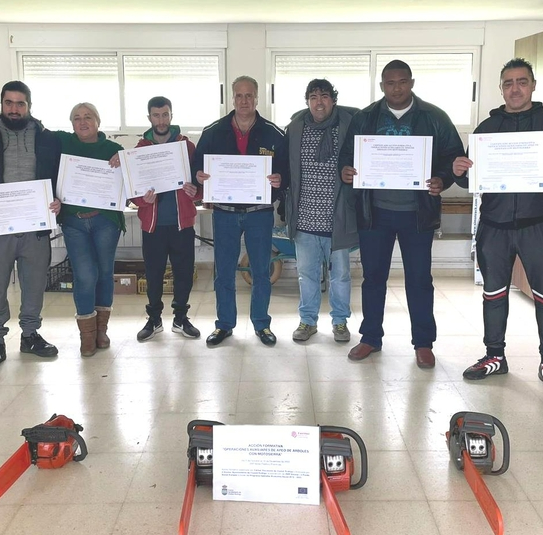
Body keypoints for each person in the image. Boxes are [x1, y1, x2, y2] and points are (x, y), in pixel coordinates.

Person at [453, 58, 543, 398]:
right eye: (508, 83)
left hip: (538, 226)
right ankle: (495, 356)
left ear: (533, 85)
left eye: (521, 82)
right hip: (494, 227)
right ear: (501, 88)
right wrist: (459, 168)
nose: (515, 88)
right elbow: (469, 177)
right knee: (493, 295)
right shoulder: (485, 129)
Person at [339, 60, 465, 369]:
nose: (397, 88)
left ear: (411, 82)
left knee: (419, 279)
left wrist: (442, 179)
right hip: (375, 213)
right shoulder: (365, 118)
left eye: (402, 82)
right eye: (390, 83)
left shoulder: (434, 117)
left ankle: (423, 343)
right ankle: (370, 337)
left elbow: (454, 157)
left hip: (417, 214)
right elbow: (346, 157)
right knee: (373, 278)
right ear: (381, 85)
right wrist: (346, 170)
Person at [0, 80, 62, 375]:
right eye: (9, 103)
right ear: (1, 103)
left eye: (20, 104)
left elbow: (57, 175)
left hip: (35, 225)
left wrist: (58, 201)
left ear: (29, 106)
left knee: (33, 283)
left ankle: (30, 335)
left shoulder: (47, 137)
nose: (14, 109)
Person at [191, 76, 288, 347]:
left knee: (261, 271)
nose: (244, 101)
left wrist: (280, 181)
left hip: (260, 212)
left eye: (249, 95)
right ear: (232, 98)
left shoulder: (274, 133)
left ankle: (261, 324)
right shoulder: (213, 132)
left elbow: (287, 173)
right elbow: (196, 168)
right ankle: (224, 325)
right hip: (224, 213)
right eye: (239, 96)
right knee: (224, 271)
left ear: (257, 98)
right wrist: (199, 176)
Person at [285, 79, 357, 343]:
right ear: (307, 101)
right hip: (304, 218)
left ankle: (340, 322)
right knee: (307, 275)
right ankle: (307, 321)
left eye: (324, 96)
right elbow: (285, 167)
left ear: (333, 100)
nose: (319, 101)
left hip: (337, 218)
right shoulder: (295, 129)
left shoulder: (349, 127)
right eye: (313, 96)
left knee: (340, 275)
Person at [55, 102, 124, 357]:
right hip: (74, 221)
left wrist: (124, 162)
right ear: (71, 123)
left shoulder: (113, 149)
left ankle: (101, 330)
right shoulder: (62, 144)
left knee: (105, 272)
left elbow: (127, 181)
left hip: (105, 220)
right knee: (85, 275)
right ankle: (86, 334)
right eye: (76, 118)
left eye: (88, 117)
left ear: (98, 121)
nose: (82, 122)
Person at [132, 96, 201, 342]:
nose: (161, 120)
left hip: (182, 222)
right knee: (153, 273)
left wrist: (196, 191)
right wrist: (143, 201)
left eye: (165, 115)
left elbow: (199, 181)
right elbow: (133, 192)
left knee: (183, 273)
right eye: (156, 115)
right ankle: (154, 319)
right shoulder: (139, 150)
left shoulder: (187, 146)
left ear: (171, 115)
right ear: (149, 117)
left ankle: (181, 318)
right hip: (153, 225)